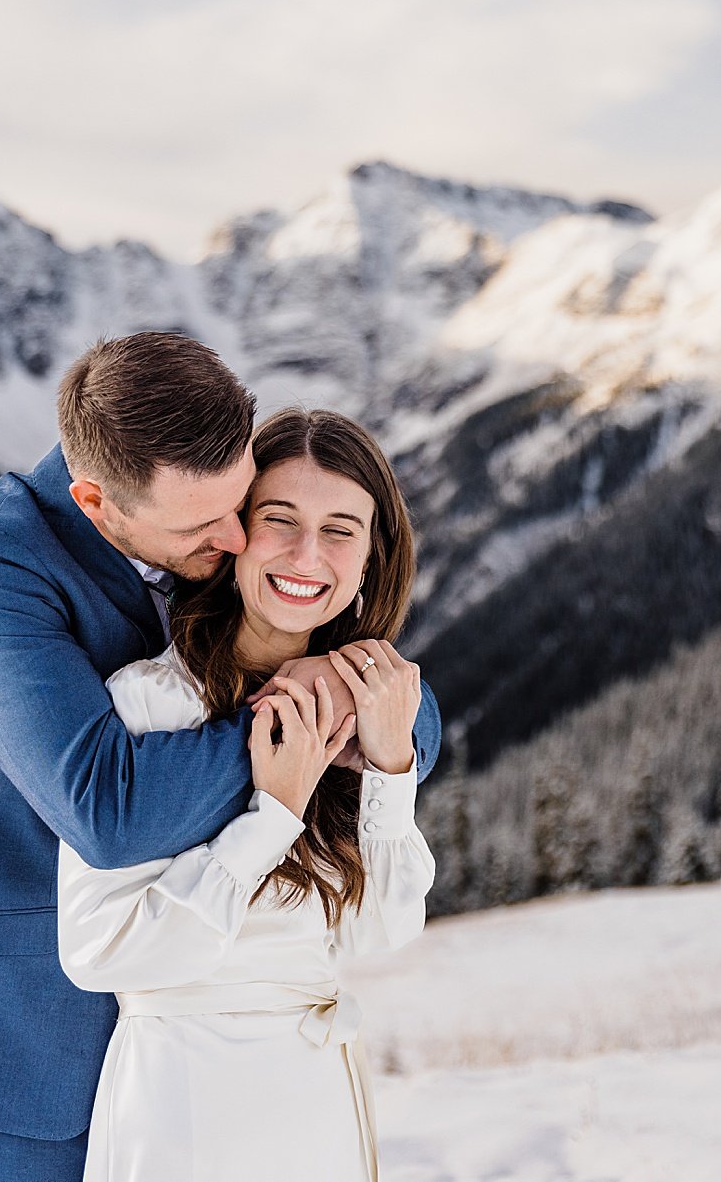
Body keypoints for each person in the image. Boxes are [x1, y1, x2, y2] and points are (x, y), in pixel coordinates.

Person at [0, 331, 443, 1182]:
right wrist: (298, 727)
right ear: (97, 500)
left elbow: (407, 711)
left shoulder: (202, 497)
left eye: (242, 502)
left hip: (216, 1055)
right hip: (29, 1049)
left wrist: (358, 692)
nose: (238, 538)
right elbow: (107, 805)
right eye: (207, 525)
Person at [59, 407, 435, 1182]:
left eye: (341, 528)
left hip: (316, 1092)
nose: (308, 553)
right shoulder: (150, 703)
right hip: (185, 1097)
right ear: (233, 530)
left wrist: (392, 767)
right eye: (280, 518)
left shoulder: (360, 710)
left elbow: (380, 931)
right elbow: (96, 952)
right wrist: (272, 816)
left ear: (371, 556)